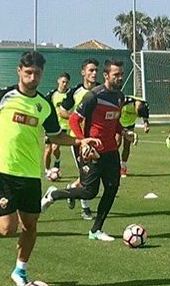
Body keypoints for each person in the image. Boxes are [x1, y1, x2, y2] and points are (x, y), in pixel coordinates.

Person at [0, 51, 99, 286]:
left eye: (37, 73)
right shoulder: (3, 96)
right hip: (5, 171)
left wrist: (80, 141)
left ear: (42, 74)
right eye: (28, 73)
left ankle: (20, 270)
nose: (32, 77)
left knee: (31, 225)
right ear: (19, 72)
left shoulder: (43, 105)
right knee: (7, 228)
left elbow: (56, 135)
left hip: (32, 175)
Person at [41, 60, 126, 242]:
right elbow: (73, 120)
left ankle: (96, 230)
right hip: (93, 152)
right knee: (89, 192)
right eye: (116, 75)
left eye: (121, 74)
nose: (119, 78)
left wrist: (124, 131)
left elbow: (114, 121)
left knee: (112, 189)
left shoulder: (120, 96)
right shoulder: (93, 96)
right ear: (106, 76)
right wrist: (83, 141)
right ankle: (54, 194)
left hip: (111, 152)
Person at [59, 58, 99, 220]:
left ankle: (70, 190)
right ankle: (85, 208)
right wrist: (77, 117)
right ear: (83, 72)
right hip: (78, 140)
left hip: (96, 140)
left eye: (96, 70)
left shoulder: (101, 90)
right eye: (90, 70)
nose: (94, 73)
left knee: (93, 175)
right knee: (87, 175)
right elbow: (62, 111)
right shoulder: (74, 92)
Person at [44, 72, 71, 178]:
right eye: (63, 81)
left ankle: (57, 161)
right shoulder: (52, 94)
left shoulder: (69, 95)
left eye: (66, 82)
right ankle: (47, 171)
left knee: (55, 148)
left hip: (63, 126)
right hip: (51, 125)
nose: (64, 84)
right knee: (48, 150)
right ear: (58, 81)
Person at [118, 95, 150, 177]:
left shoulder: (144, 105)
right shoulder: (126, 101)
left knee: (127, 145)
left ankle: (123, 167)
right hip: (119, 124)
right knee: (117, 143)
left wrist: (146, 125)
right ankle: (113, 166)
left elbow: (145, 117)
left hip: (130, 125)